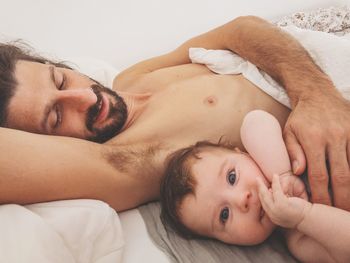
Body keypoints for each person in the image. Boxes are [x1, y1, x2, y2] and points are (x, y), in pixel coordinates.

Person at [0, 16, 350, 211]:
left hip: (323, 83)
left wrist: (315, 94)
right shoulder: (130, 158)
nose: (84, 97)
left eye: (60, 79)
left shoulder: (133, 76)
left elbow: (238, 30)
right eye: (57, 117)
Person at [160, 110, 350, 263]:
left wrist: (282, 174)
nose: (241, 200)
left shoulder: (275, 151)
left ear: (243, 153)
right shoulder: (300, 238)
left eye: (232, 177)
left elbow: (255, 120)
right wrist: (304, 216)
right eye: (224, 215)